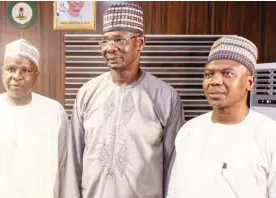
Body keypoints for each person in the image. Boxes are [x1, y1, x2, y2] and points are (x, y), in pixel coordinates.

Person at [62, 3, 185, 198]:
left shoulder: (165, 96)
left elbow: (174, 167)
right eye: (105, 41)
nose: (111, 48)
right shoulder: (87, 93)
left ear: (141, 43)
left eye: (120, 39)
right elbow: (74, 161)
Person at [166, 36, 276, 198]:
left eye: (228, 73)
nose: (215, 81)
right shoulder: (189, 131)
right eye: (209, 74)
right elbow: (175, 192)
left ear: (250, 82)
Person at [0, 38, 69, 198]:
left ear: (36, 75)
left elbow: (65, 166)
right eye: (11, 69)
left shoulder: (54, 112)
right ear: (2, 71)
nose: (17, 76)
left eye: (25, 70)